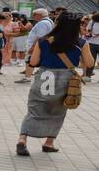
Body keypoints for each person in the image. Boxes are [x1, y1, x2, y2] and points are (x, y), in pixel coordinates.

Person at [16, 13, 93, 156]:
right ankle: (49, 143)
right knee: (58, 113)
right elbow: (89, 64)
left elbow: (33, 63)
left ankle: (22, 140)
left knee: (33, 111)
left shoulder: (43, 41)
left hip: (43, 78)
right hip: (65, 81)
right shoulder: (81, 43)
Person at [16, 8, 53, 84]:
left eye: (34, 14)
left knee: (29, 61)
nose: (33, 16)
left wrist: (33, 47)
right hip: (42, 45)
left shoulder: (42, 23)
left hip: (36, 46)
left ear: (40, 15)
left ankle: (27, 77)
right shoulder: (49, 21)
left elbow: (40, 36)